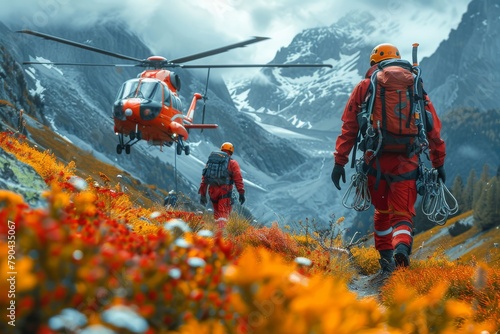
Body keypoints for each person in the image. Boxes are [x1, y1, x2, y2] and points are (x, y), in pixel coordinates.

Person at [331, 43, 446, 282]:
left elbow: (349, 126)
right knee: (403, 214)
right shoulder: (414, 84)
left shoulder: (366, 86)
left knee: (382, 213)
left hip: (376, 160)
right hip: (408, 160)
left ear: (374, 63)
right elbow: (432, 126)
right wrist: (438, 162)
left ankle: (386, 266)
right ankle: (402, 249)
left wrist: (340, 161)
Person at [199, 142, 245, 229]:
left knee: (217, 213)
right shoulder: (232, 163)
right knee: (223, 213)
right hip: (225, 191)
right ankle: (222, 234)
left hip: (212, 191)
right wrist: (241, 192)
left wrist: (202, 194)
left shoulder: (211, 161)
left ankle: (216, 232)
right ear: (231, 152)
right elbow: (238, 178)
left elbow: (204, 178)